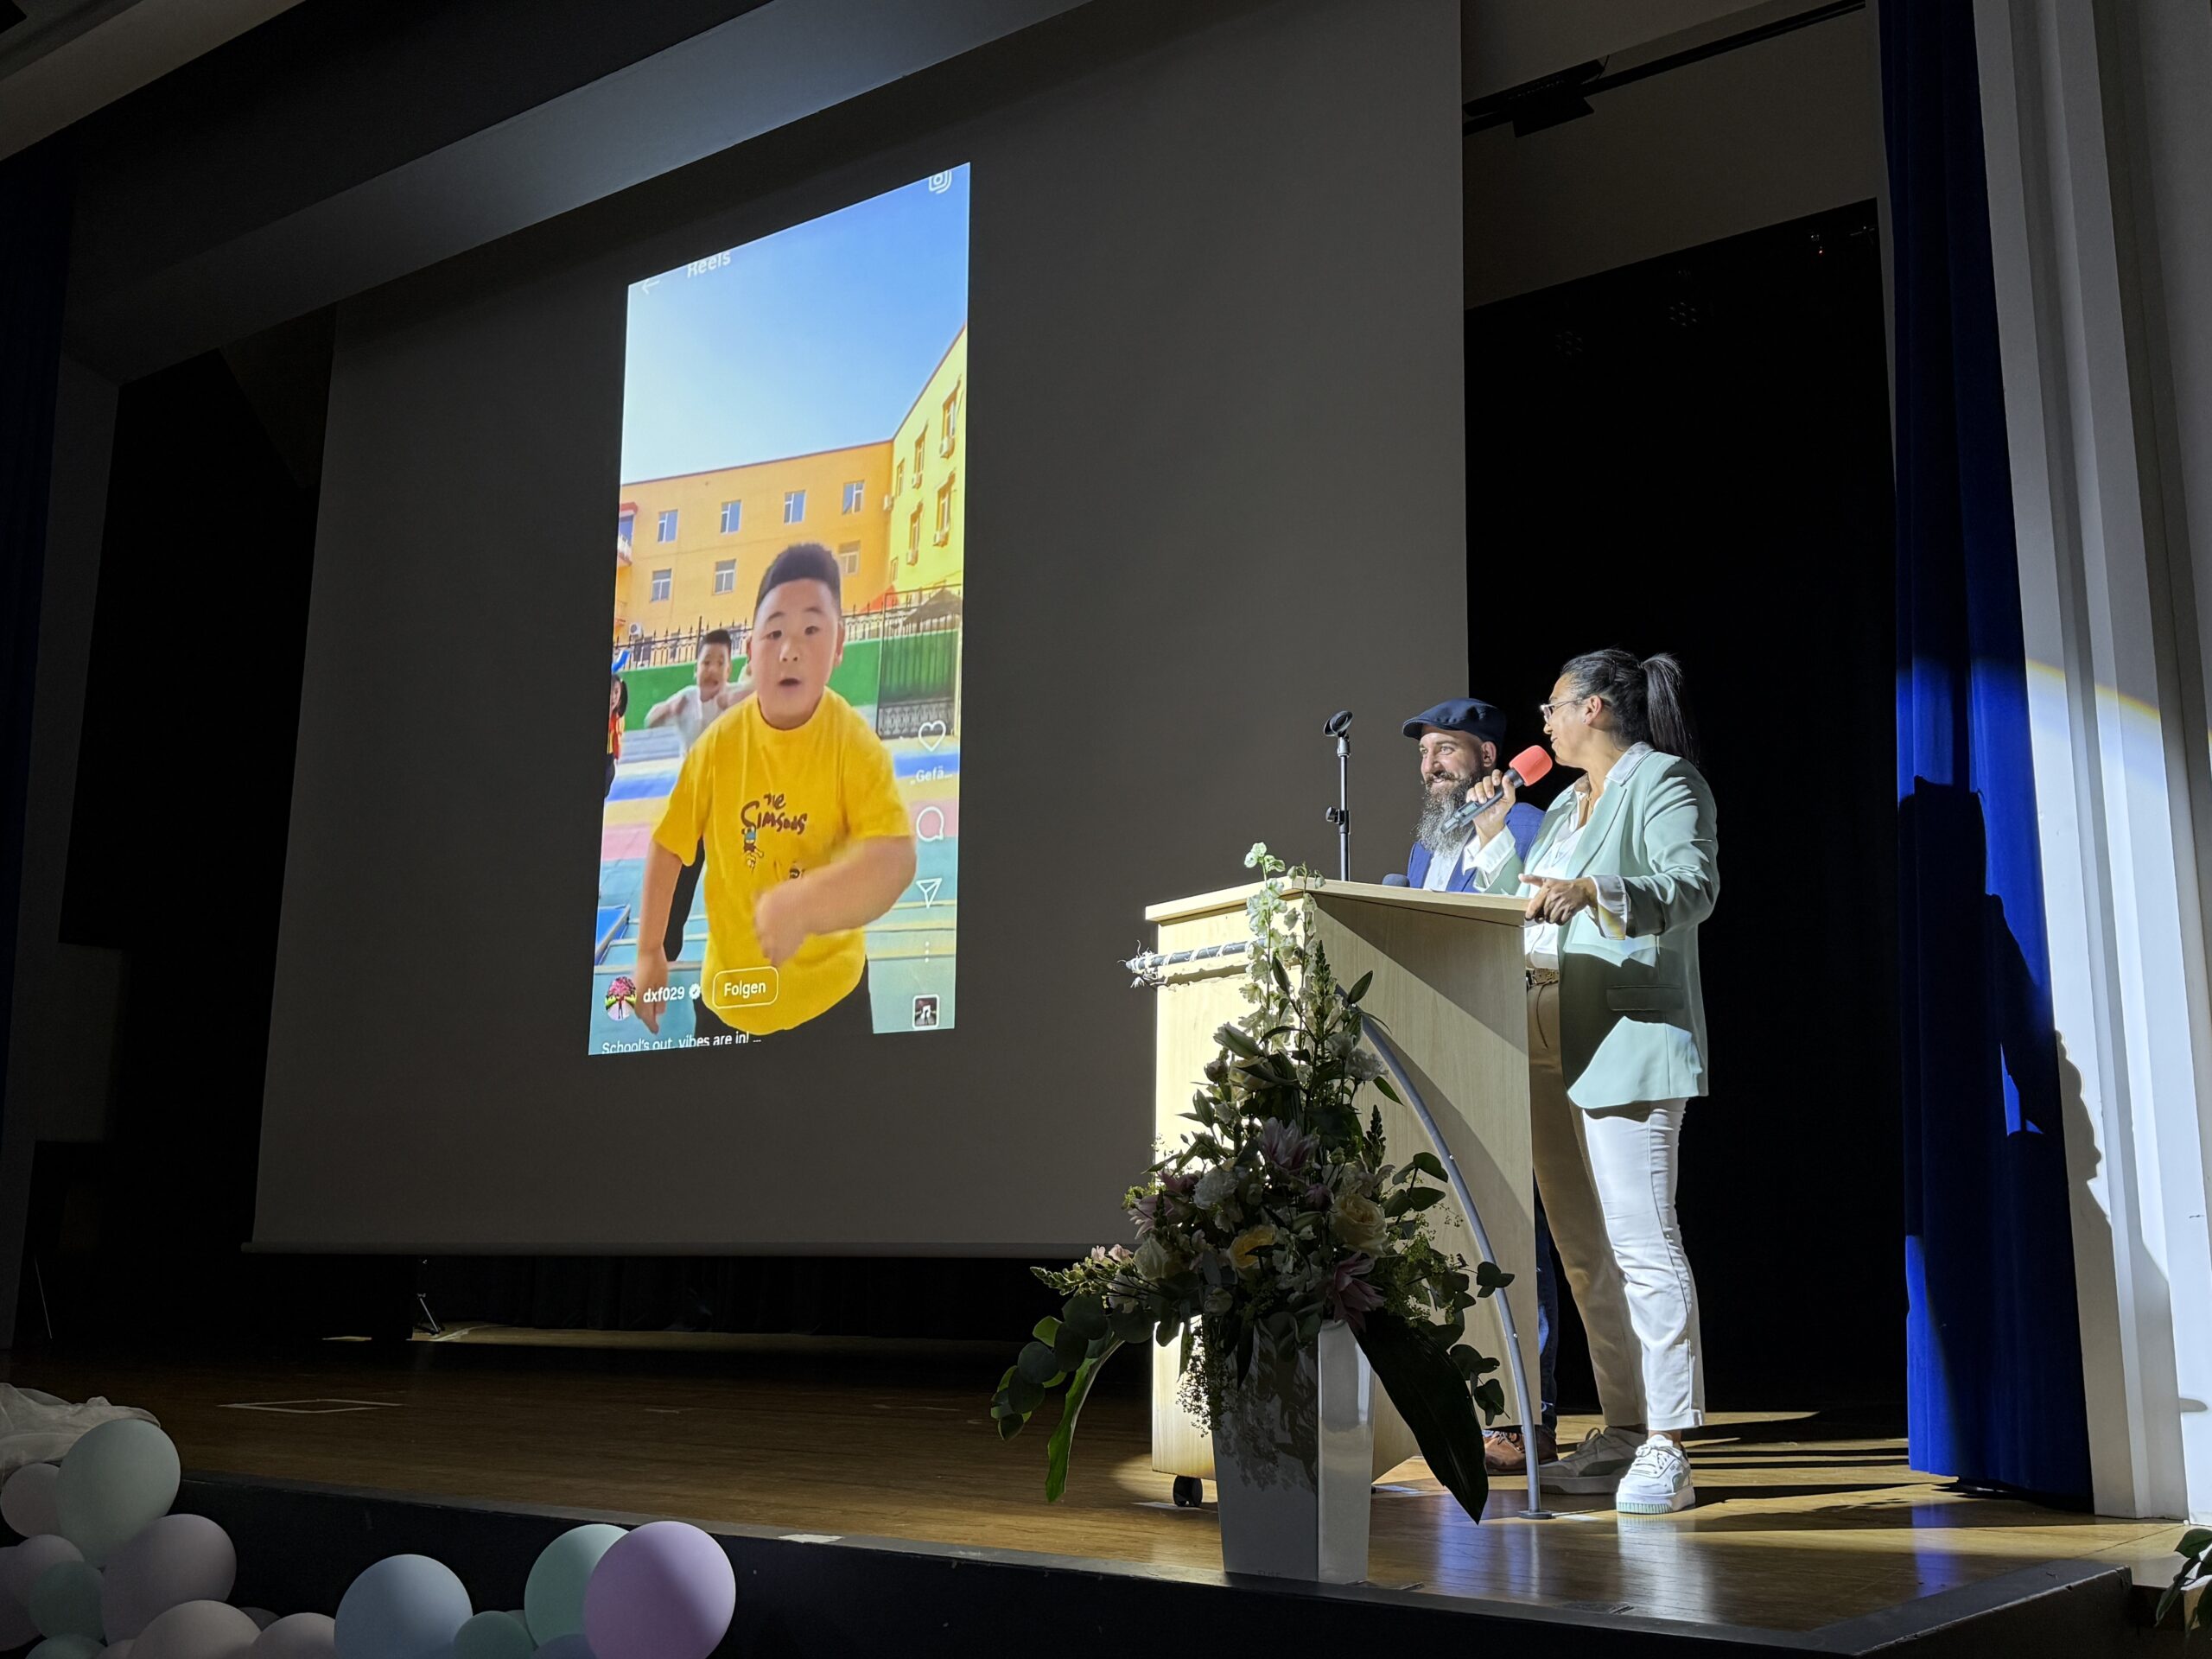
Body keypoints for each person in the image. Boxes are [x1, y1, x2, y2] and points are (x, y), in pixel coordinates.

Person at [1477, 649, 1716, 1515]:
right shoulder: (1561, 805)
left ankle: (1669, 1443)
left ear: (1595, 708)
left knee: (1642, 1241)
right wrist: (1492, 835)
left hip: (1625, 1035)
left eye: (1551, 707)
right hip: (1542, 1037)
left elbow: (1691, 887)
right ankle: (1623, 1427)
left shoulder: (1663, 782)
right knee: (1583, 1255)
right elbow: (1521, 904)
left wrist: (1595, 890)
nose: (1541, 722)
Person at [631, 543, 916, 1044]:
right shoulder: (718, 746)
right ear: (751, 651)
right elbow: (670, 844)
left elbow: (893, 859)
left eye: (812, 630)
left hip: (833, 1000)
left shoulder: (853, 744)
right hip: (733, 1000)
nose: (790, 649)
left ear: (839, 646)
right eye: (775, 632)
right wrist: (650, 950)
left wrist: (805, 905)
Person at [1401, 698, 1558, 1474]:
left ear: (1489, 758)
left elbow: (1529, 925)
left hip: (1505, 1049)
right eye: (1424, 754)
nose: (1430, 765)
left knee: (1515, 1236)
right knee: (1447, 1240)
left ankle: (1526, 1417)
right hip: (1436, 1055)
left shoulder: (1526, 827)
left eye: (1446, 750)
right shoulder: (1424, 849)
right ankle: (1457, 1406)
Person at [642, 629, 753, 961]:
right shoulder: (687, 697)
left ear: (729, 669)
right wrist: (667, 708)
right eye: (706, 662)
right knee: (682, 881)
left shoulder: (735, 698)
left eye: (720, 662)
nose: (712, 669)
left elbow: (765, 694)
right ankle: (667, 950)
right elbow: (649, 719)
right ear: (696, 668)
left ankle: (740, 948)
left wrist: (743, 692)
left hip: (727, 809)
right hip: (692, 809)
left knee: (734, 878)